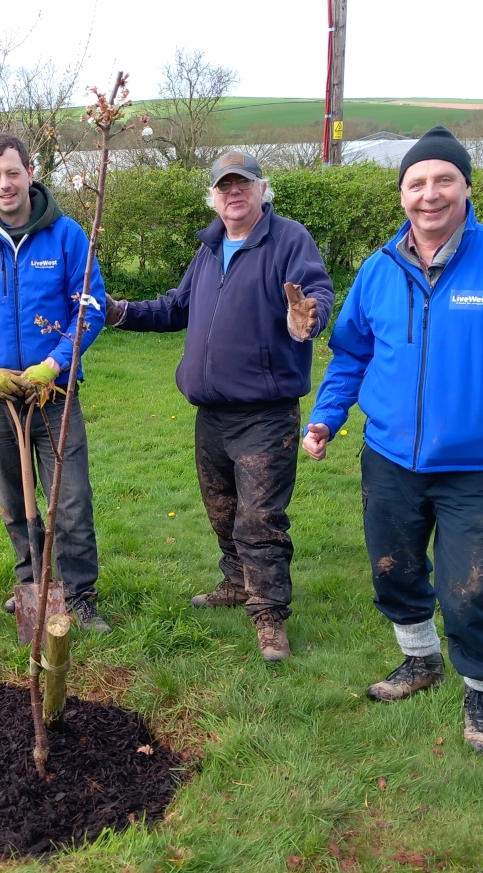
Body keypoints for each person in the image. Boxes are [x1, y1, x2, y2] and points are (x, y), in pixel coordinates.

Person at [302, 126, 483, 756]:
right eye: (416, 183)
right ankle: (420, 660)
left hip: (473, 465)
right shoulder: (378, 271)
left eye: (443, 180)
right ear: (401, 194)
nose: (429, 195)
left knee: (470, 588)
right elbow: (351, 354)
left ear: (465, 186)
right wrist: (326, 416)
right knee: (395, 571)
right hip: (388, 459)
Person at [106, 151, 333, 661]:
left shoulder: (288, 240)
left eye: (243, 184)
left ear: (262, 189)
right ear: (213, 196)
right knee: (223, 511)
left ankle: (270, 615)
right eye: (224, 186)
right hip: (211, 413)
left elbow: (315, 291)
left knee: (260, 519)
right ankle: (236, 583)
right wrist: (119, 313)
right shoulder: (209, 249)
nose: (233, 193)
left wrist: (308, 318)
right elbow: (176, 307)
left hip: (265, 414)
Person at [0, 134, 110, 633]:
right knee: (14, 499)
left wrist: (54, 365)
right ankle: (32, 582)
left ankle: (79, 596)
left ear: (30, 172)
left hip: (54, 394)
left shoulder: (68, 235)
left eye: (12, 173)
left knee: (72, 497)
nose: (4, 184)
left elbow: (89, 308)